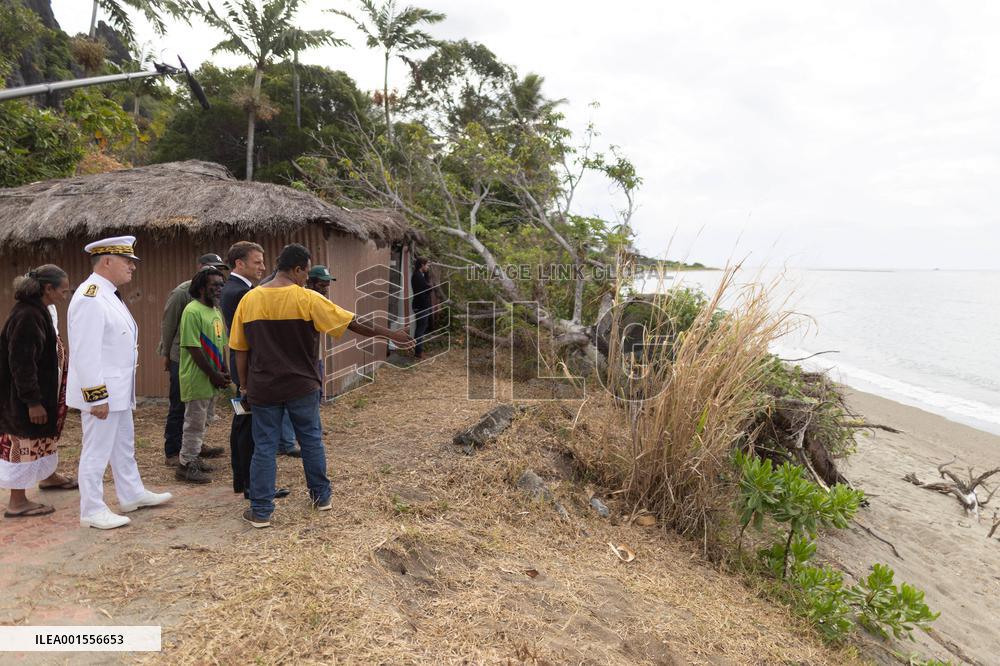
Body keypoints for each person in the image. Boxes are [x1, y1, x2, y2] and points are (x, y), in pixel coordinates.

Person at [230, 244, 414, 528]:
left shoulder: (250, 300)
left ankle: (262, 512)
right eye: (306, 271)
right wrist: (390, 334)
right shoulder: (308, 299)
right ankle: (321, 498)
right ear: (298, 269)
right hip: (302, 387)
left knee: (264, 447)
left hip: (264, 388)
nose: (307, 278)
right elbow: (353, 322)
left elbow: (240, 350)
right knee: (311, 441)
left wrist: (244, 386)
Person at [68, 236, 171, 529]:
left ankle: (131, 493)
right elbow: (85, 352)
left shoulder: (108, 293)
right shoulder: (90, 296)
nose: (132, 267)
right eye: (128, 261)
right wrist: (96, 397)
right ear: (107, 261)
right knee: (96, 450)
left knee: (123, 445)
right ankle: (92, 509)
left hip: (119, 389)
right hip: (103, 391)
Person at [0, 266, 76, 518]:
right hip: (22, 400)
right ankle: (18, 502)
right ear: (48, 289)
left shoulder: (40, 310)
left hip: (42, 394)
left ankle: (48, 477)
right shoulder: (27, 316)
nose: (65, 295)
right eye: (63, 291)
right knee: (23, 442)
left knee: (43, 439)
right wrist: (32, 401)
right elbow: (21, 362)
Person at [219, 242, 292, 496]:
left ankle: (244, 482)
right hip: (248, 368)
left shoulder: (241, 288)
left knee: (243, 424)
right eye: (257, 262)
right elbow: (248, 338)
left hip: (246, 367)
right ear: (239, 264)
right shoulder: (239, 292)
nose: (262, 266)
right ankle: (253, 485)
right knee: (249, 429)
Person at [157, 253, 230, 467]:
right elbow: (169, 324)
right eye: (210, 267)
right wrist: (166, 355)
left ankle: (194, 446)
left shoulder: (214, 301)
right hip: (183, 357)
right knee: (180, 405)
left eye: (218, 269)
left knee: (202, 410)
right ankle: (174, 451)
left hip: (208, 362)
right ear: (199, 267)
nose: (217, 282)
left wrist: (221, 367)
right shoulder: (184, 293)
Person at [176, 268, 230, 484]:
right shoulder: (192, 311)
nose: (219, 289)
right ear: (201, 288)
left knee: (205, 420)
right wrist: (214, 374)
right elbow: (193, 347)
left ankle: (194, 456)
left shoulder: (216, 311)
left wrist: (224, 370)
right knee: (194, 422)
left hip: (212, 379)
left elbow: (220, 344)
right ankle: (185, 464)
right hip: (197, 378)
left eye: (221, 285)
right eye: (214, 285)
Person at [306, 265, 335, 395]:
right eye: (322, 286)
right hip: (305, 362)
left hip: (316, 358)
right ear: (310, 283)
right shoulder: (304, 299)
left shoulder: (319, 300)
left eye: (326, 287)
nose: (325, 291)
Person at [411, 257, 433, 359]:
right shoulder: (417, 276)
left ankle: (418, 351)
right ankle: (418, 352)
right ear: (422, 265)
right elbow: (428, 288)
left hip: (423, 305)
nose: (428, 267)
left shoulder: (421, 275)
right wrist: (429, 285)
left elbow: (428, 287)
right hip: (420, 306)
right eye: (427, 265)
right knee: (420, 329)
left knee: (422, 328)